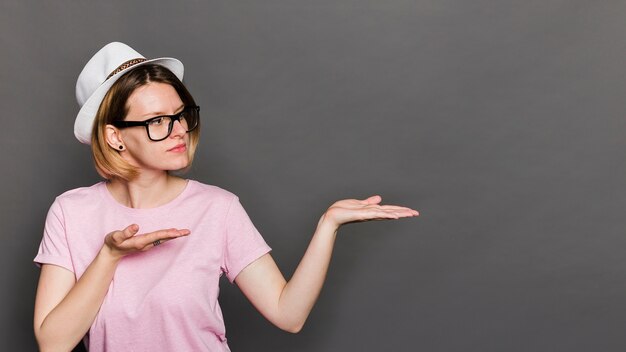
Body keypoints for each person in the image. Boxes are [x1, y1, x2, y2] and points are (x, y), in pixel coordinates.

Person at [33, 42, 419, 352]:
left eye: (181, 115)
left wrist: (328, 225)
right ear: (115, 136)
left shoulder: (217, 208)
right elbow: (54, 343)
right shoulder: (72, 212)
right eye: (157, 122)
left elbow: (289, 315)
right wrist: (110, 256)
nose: (178, 130)